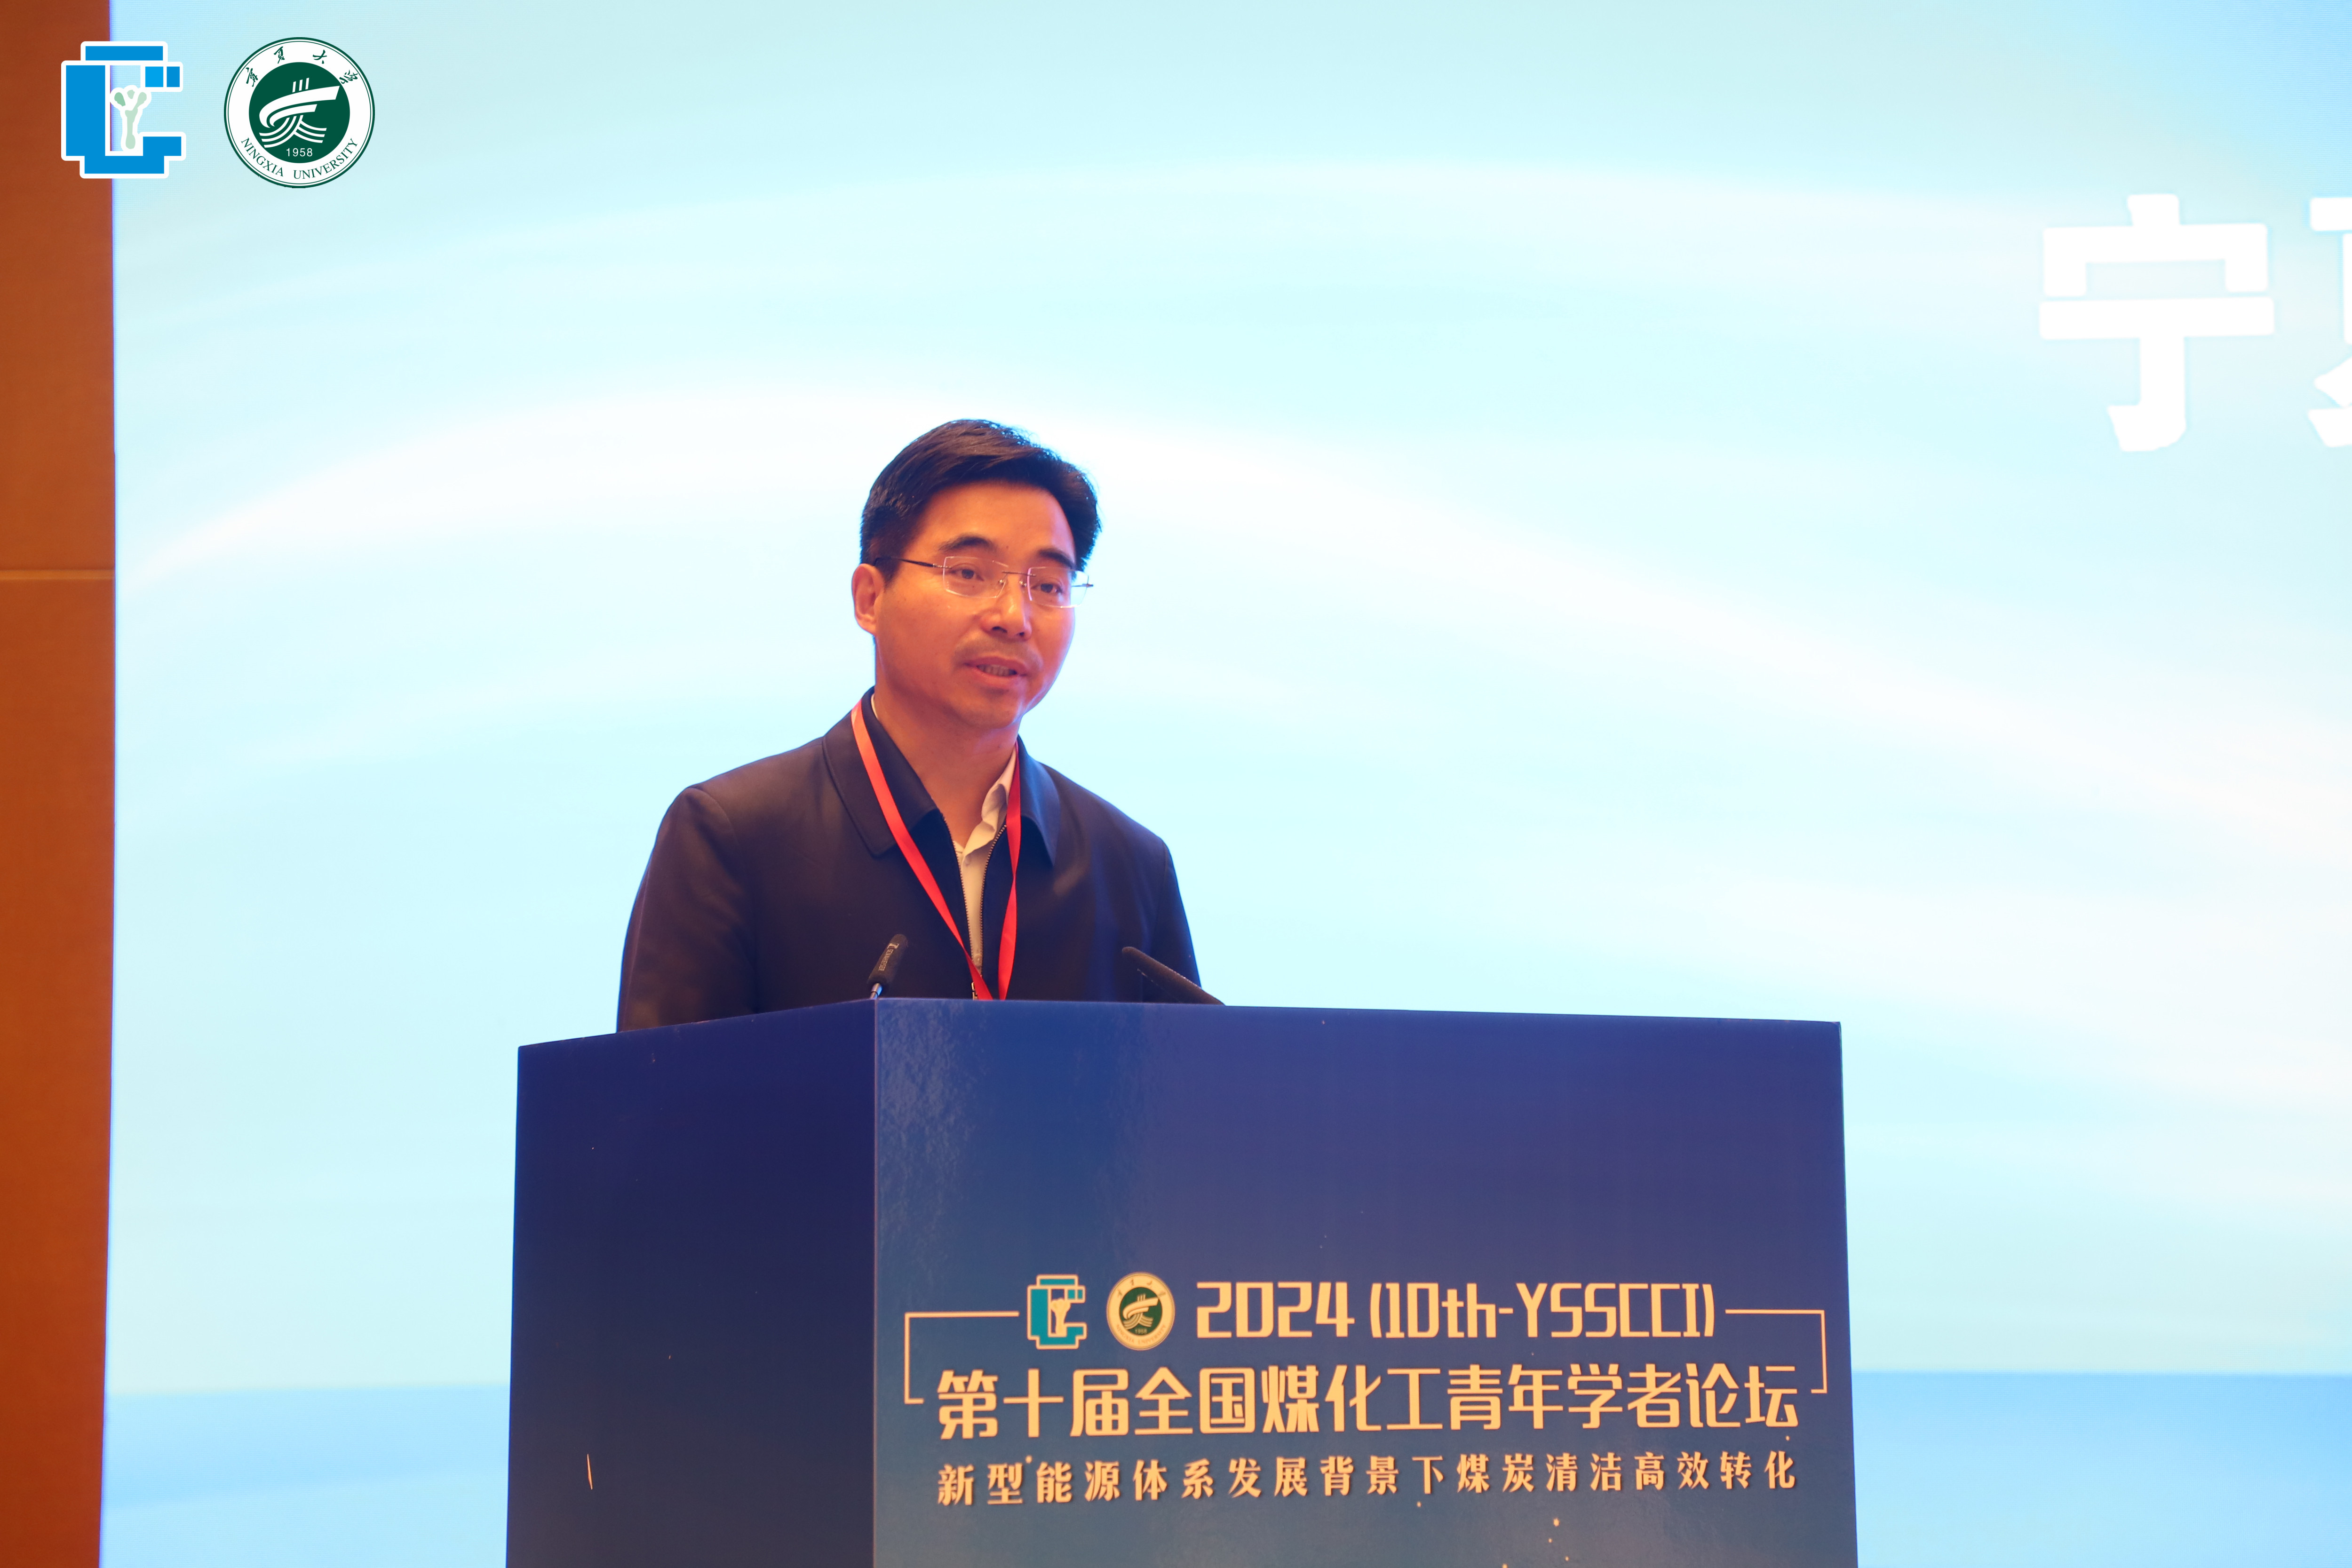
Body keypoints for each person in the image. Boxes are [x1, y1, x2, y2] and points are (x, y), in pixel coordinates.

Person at [616, 419, 1198, 1027]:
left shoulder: (1131, 868)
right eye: (969, 573)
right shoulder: (732, 840)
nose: (1014, 616)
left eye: (1048, 585)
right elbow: (662, 1089)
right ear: (870, 598)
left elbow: (1188, 1087)